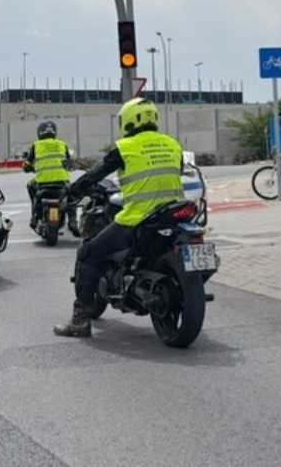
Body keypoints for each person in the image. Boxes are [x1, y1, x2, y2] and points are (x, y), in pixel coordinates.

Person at [53, 97, 184, 338]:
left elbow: (95, 174)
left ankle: (80, 321)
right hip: (173, 214)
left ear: (128, 121)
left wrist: (73, 191)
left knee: (88, 254)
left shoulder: (126, 147)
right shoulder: (173, 144)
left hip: (138, 218)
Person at [24, 120, 72, 228]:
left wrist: (29, 168)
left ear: (40, 132)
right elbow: (69, 163)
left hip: (42, 183)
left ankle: (34, 216)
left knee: (29, 185)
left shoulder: (36, 145)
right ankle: (72, 221)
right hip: (62, 182)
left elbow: (26, 164)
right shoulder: (62, 144)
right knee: (71, 195)